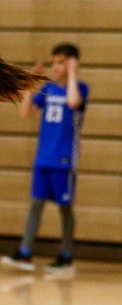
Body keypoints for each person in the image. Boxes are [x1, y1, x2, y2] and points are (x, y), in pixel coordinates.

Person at [1, 44, 87, 276]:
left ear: (71, 63)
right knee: (35, 206)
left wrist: (72, 74)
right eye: (54, 62)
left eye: (60, 62)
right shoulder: (48, 91)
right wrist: (31, 86)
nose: (55, 67)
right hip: (43, 158)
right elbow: (25, 113)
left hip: (65, 160)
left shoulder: (79, 88)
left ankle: (66, 257)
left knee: (65, 208)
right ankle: (25, 252)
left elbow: (73, 102)